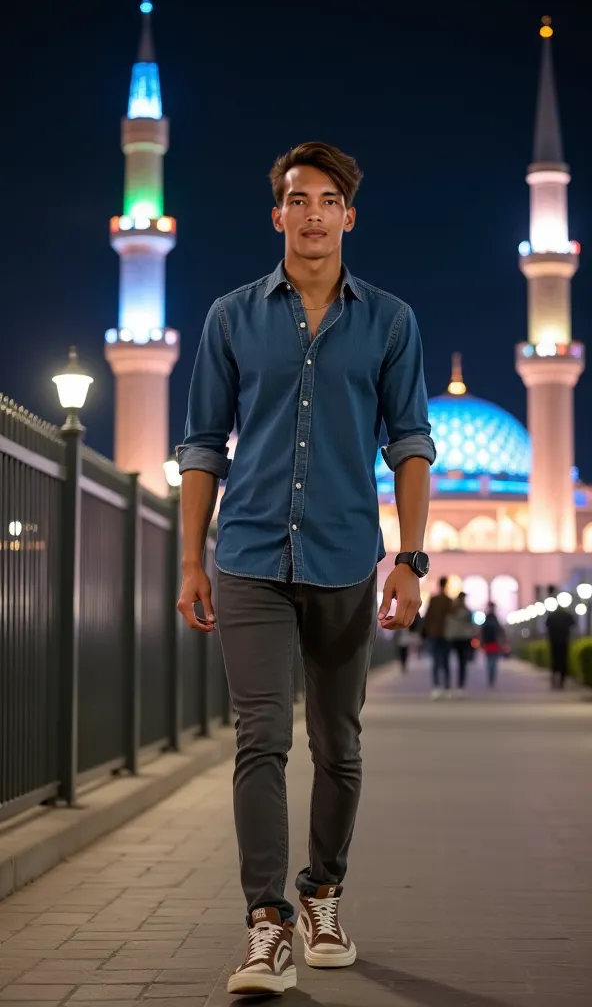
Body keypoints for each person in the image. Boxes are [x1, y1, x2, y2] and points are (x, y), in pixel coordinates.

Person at [176, 142, 436, 997]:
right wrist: (191, 558)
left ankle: (323, 895)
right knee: (263, 738)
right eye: (299, 198)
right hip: (249, 553)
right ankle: (266, 926)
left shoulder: (391, 322)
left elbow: (410, 444)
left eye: (330, 199)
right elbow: (203, 446)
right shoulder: (230, 317)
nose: (314, 213)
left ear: (348, 216)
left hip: (342, 559)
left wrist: (410, 558)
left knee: (339, 743)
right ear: (278, 213)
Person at [422, 577, 452, 698]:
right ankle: (447, 687)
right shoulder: (449, 600)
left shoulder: (433, 599)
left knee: (435, 661)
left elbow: (428, 616)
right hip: (447, 633)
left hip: (434, 633)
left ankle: (436, 686)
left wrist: (424, 631)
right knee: (446, 661)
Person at [445, 591, 474, 695]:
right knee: (462, 662)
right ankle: (460, 685)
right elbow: (470, 624)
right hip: (463, 638)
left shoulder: (452, 610)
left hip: (453, 637)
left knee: (449, 661)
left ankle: (448, 685)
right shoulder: (466, 611)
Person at [546, 587, 575, 690]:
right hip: (564, 641)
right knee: (563, 660)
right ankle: (561, 681)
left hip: (554, 642)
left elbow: (547, 627)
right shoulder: (567, 615)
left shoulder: (552, 616)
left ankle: (554, 677)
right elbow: (573, 625)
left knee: (554, 660)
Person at [481, 602, 504, 688]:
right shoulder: (495, 619)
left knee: (490, 663)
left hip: (489, 643)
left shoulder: (487, 619)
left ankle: (491, 680)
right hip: (494, 643)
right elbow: (500, 631)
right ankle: (492, 680)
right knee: (493, 663)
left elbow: (483, 631)